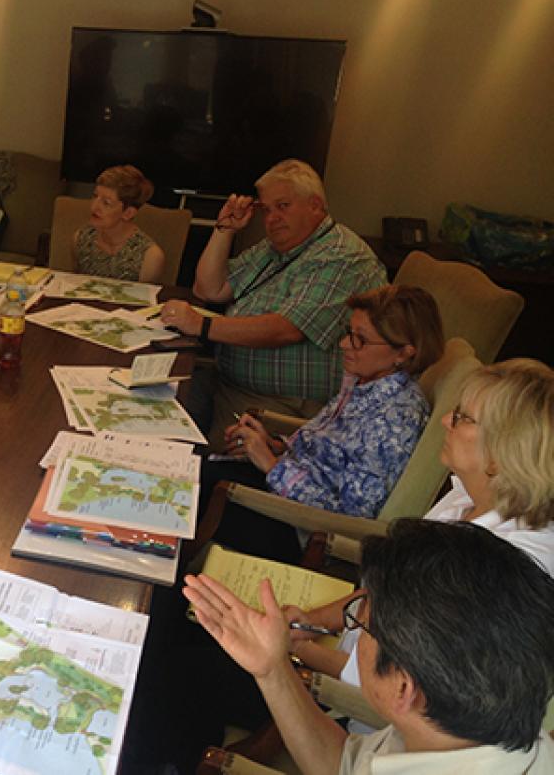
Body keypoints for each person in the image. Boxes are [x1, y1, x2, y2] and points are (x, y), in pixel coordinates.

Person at [184, 519, 554, 774]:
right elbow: (345, 764)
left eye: (361, 625)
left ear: (404, 687)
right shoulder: (490, 733)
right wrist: (273, 669)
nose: (353, 631)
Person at [287, 357, 554, 685]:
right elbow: (384, 592)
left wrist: (292, 648)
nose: (444, 420)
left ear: (502, 454)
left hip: (367, 715)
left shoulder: (508, 562)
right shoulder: (466, 495)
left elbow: (402, 685)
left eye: (461, 418)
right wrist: (307, 624)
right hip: (341, 659)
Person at [204, 285, 444, 562]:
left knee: (190, 491)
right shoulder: (364, 380)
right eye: (348, 332)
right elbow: (324, 448)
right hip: (285, 493)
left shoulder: (395, 420)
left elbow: (349, 517)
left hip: (298, 529)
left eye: (360, 340)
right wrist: (275, 446)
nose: (344, 344)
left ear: (404, 353)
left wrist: (271, 464)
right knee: (189, 466)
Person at [160, 159, 386, 450]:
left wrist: (201, 325)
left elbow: (287, 329)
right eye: (266, 209)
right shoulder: (276, 248)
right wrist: (224, 229)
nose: (272, 218)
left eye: (283, 206)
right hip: (229, 385)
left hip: (281, 407)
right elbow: (209, 288)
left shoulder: (341, 256)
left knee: (171, 446)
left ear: (316, 206)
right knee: (148, 407)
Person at [73, 165, 165, 282]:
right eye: (95, 196)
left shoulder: (150, 257)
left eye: (106, 203)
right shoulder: (81, 239)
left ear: (128, 213)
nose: (94, 207)